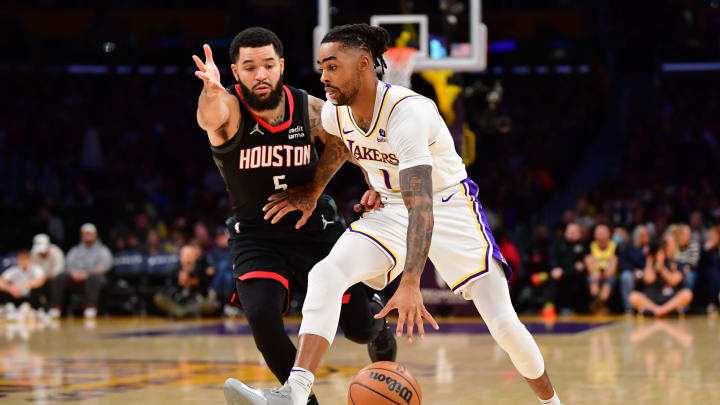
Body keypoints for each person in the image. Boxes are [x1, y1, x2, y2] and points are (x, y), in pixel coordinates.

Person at [225, 24, 563, 405]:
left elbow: (422, 205)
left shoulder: (409, 114)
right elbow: (346, 148)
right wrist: (363, 182)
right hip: (390, 206)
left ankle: (551, 403)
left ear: (365, 65)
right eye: (321, 67)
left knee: (503, 324)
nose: (323, 76)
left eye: (333, 66)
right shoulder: (337, 114)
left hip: (447, 206)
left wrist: (412, 282)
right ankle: (296, 393)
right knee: (325, 274)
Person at [192, 27, 396, 405]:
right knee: (264, 321)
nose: (260, 74)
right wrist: (210, 91)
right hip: (257, 233)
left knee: (359, 329)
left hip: (316, 229)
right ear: (235, 72)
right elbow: (209, 117)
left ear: (280, 66)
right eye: (250, 67)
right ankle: (302, 402)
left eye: (268, 65)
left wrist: (319, 190)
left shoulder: (311, 109)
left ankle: (379, 329)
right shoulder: (227, 108)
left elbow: (349, 142)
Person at [50, 223, 112, 319]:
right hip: (75, 278)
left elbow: (104, 267)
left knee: (94, 277)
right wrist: (73, 273)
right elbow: (67, 265)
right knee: (60, 276)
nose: (87, 236)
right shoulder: (75, 250)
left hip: (92, 278)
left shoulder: (103, 250)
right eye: (85, 234)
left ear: (95, 235)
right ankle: (56, 308)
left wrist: (87, 274)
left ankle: (90, 307)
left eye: (89, 233)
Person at [629, 233, 693, 317]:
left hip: (670, 298)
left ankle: (661, 311)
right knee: (633, 296)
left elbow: (673, 281)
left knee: (687, 293)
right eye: (665, 245)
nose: (667, 247)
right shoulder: (650, 261)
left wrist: (661, 267)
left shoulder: (677, 263)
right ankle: (658, 310)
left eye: (670, 244)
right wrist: (649, 259)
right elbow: (649, 279)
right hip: (652, 298)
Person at [548, 223, 590, 314]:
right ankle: (551, 307)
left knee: (578, 278)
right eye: (569, 231)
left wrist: (565, 271)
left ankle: (577, 309)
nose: (571, 233)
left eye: (574, 232)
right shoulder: (557, 244)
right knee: (554, 279)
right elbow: (553, 259)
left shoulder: (584, 246)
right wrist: (555, 268)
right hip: (560, 273)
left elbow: (582, 266)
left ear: (579, 234)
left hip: (575, 276)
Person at [0, 250, 46, 319]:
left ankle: (33, 309)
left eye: (25, 260)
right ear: (18, 260)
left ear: (30, 260)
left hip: (30, 298)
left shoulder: (36, 269)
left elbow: (40, 280)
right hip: (16, 297)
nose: (23, 262)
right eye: (21, 259)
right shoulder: (14, 270)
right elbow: (1, 281)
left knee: (37, 288)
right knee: (4, 287)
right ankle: (8, 307)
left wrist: (20, 287)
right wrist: (10, 289)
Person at [585, 224, 618, 313]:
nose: (601, 236)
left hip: (609, 275)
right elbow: (589, 265)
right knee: (593, 281)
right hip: (595, 274)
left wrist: (604, 274)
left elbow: (612, 268)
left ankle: (598, 305)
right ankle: (599, 306)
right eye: (598, 234)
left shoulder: (614, 246)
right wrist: (597, 273)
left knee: (608, 283)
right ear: (594, 235)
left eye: (603, 233)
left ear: (609, 234)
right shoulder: (590, 246)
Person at [619, 225, 651, 313]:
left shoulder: (652, 247)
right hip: (631, 272)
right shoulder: (628, 247)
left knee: (650, 277)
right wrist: (633, 271)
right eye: (642, 235)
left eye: (646, 235)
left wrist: (647, 255)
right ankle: (629, 307)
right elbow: (624, 264)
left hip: (647, 272)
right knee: (626, 276)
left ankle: (647, 307)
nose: (644, 237)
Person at [30, 233, 65, 308]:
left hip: (54, 278)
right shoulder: (33, 254)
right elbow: (33, 269)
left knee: (58, 279)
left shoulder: (56, 252)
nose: (42, 253)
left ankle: (55, 307)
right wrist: (40, 278)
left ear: (48, 245)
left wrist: (46, 277)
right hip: (40, 279)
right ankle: (36, 308)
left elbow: (59, 269)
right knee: (33, 282)